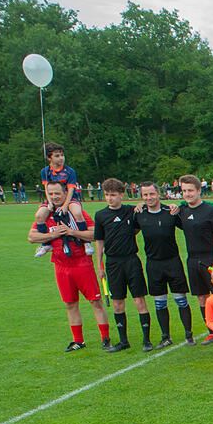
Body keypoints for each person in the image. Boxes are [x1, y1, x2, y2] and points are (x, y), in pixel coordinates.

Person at [28, 180, 111, 351]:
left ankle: (105, 338)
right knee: (70, 304)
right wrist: (53, 235)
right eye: (51, 194)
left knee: (95, 301)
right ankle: (78, 341)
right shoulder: (46, 214)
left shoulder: (75, 211)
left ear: (65, 193)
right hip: (61, 266)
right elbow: (32, 237)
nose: (54, 197)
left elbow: (94, 234)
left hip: (82, 263)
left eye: (57, 193)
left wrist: (72, 232)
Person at [94, 178, 153, 352]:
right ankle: (123, 341)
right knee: (118, 303)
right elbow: (99, 241)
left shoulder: (131, 211)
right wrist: (99, 266)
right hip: (113, 263)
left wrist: (141, 204)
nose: (109, 198)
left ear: (121, 195)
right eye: (107, 195)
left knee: (139, 300)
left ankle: (147, 340)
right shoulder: (100, 215)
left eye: (113, 195)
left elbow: (143, 213)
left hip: (131, 261)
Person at [135, 181, 195, 347]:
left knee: (181, 300)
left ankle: (189, 335)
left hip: (173, 262)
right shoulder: (139, 214)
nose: (149, 198)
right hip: (153, 265)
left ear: (158, 194)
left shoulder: (171, 212)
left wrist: (177, 207)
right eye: (145, 195)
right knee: (159, 302)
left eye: (152, 194)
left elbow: (188, 225)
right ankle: (165, 336)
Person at [177, 175, 213, 343]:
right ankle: (211, 331)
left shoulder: (211, 212)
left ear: (198, 191)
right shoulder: (182, 211)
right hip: (192, 260)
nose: (187, 194)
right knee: (202, 298)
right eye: (184, 191)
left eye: (190, 190)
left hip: (210, 259)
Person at [34, 143, 91, 258]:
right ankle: (46, 244)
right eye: (57, 156)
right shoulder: (45, 171)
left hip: (70, 198)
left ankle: (86, 242)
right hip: (53, 199)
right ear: (49, 158)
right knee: (39, 215)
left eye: (62, 155)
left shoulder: (70, 171)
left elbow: (70, 190)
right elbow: (46, 188)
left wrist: (65, 205)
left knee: (77, 213)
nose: (61, 158)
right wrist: (50, 202)